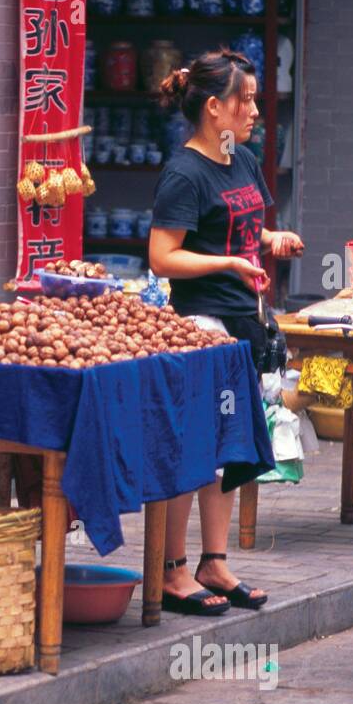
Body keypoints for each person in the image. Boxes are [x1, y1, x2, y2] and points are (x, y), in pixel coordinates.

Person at [148, 48, 304, 616]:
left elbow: (241, 231)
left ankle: (213, 561)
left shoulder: (240, 160)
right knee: (193, 451)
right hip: (202, 324)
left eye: (256, 99)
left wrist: (270, 241)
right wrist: (228, 265)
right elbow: (163, 257)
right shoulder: (183, 172)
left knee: (225, 451)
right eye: (246, 100)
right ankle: (171, 571)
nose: (255, 110)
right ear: (214, 107)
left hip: (245, 323)